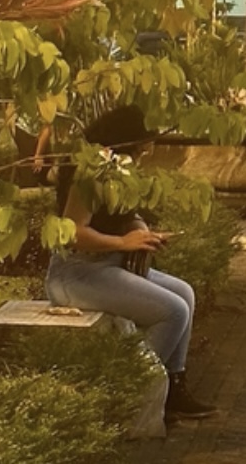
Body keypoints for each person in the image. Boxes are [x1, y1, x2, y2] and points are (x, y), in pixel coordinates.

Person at [44, 104, 214, 423]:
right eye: (142, 149)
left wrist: (139, 230)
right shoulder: (90, 170)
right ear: (126, 142)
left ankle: (173, 387)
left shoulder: (117, 170)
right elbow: (72, 233)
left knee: (185, 294)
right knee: (172, 311)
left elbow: (122, 213)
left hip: (109, 264)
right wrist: (124, 243)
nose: (144, 156)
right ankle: (133, 391)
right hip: (76, 273)